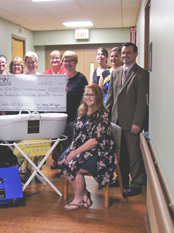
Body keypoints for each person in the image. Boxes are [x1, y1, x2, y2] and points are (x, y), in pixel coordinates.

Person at [58, 84, 117, 211]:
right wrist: (72, 150)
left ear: (98, 97)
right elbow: (78, 135)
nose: (88, 97)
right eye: (86, 94)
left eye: (91, 95)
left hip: (100, 152)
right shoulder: (83, 110)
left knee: (73, 165)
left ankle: (78, 199)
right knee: (62, 161)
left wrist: (74, 153)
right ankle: (84, 192)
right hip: (83, 147)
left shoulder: (102, 114)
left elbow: (94, 141)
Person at [105, 42, 149, 197]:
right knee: (120, 154)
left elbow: (141, 101)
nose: (125, 56)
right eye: (123, 53)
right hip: (115, 122)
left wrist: (137, 122)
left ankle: (137, 183)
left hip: (132, 123)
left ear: (136, 54)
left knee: (134, 154)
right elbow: (110, 98)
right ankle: (122, 180)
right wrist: (106, 118)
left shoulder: (142, 75)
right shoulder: (115, 72)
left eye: (128, 53)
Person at [42, 50, 66, 169]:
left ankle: (63, 159)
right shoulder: (44, 74)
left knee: (63, 135)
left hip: (63, 109)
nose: (55, 60)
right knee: (53, 135)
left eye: (57, 58)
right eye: (52, 58)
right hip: (49, 109)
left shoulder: (66, 72)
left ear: (61, 60)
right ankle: (56, 159)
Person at [62, 51, 88, 150]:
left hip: (75, 117)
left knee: (74, 144)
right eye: (65, 61)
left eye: (71, 60)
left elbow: (86, 98)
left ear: (76, 62)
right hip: (62, 117)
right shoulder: (60, 78)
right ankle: (64, 163)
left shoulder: (81, 78)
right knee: (63, 144)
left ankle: (73, 164)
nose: (68, 63)